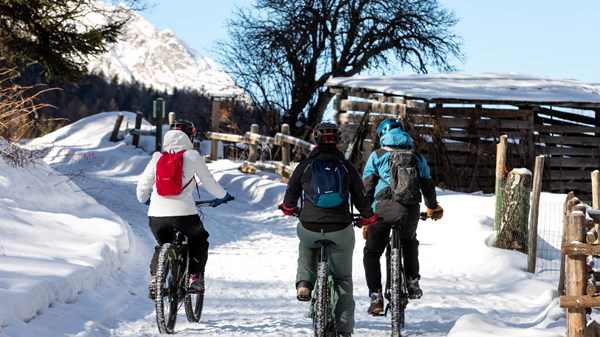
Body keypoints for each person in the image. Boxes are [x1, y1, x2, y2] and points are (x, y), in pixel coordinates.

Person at [279, 122, 379, 337]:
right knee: (342, 279)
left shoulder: (305, 165)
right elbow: (361, 199)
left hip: (310, 226)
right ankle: (343, 330)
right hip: (340, 228)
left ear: (315, 139)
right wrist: (368, 218)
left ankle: (305, 283)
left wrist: (289, 209)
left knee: (306, 245)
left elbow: (289, 198)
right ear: (338, 140)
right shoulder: (346, 167)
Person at [136, 119, 234, 298]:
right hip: (184, 214)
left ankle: (156, 277)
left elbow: (141, 189)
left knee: (163, 244)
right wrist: (223, 195)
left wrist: (147, 201)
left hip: (157, 216)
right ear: (190, 137)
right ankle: (194, 277)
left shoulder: (157, 157)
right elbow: (209, 182)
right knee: (199, 239)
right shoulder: (192, 156)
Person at [361, 118, 443, 315]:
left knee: (372, 253)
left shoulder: (377, 155)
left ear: (382, 135)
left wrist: (366, 216)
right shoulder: (416, 156)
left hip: (382, 211)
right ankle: (412, 281)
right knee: (409, 242)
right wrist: (433, 207)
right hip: (409, 211)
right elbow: (427, 184)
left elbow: (367, 187)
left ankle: (376, 297)